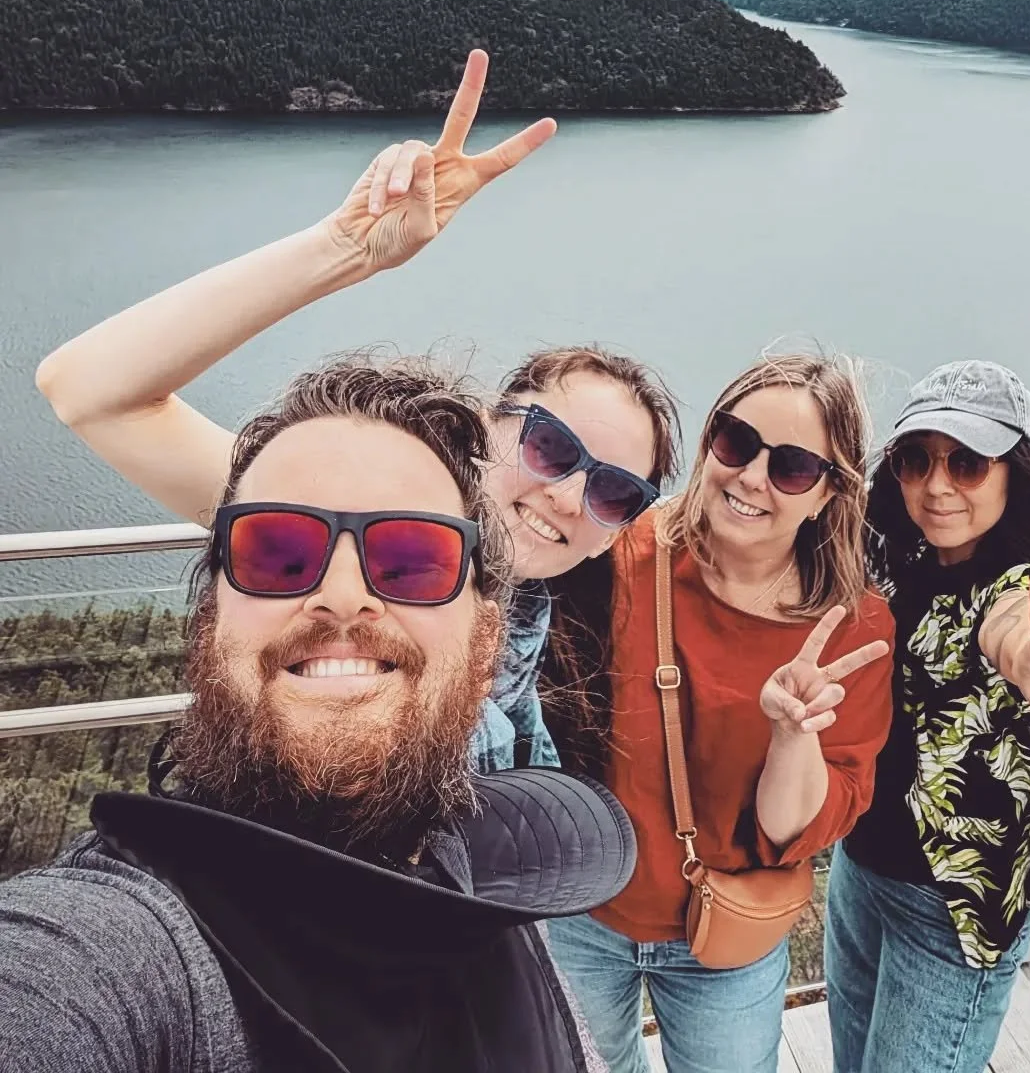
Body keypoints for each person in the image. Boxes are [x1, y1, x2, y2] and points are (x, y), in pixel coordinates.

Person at [34, 49, 682, 774]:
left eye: (614, 491)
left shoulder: (534, 627)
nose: (566, 495)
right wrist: (342, 250)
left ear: (616, 531)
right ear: (489, 424)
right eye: (551, 447)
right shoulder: (333, 529)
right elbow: (87, 389)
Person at [0, 353, 637, 1072]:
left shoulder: (490, 886)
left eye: (414, 559)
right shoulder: (112, 952)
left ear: (487, 640)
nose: (341, 596)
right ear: (209, 622)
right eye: (277, 551)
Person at [545, 356, 896, 1073]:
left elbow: (795, 830)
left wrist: (793, 735)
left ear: (829, 493)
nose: (752, 477)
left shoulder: (852, 632)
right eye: (737, 442)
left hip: (727, 938)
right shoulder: (620, 553)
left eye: (793, 467)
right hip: (581, 912)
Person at [825, 361, 1030, 1073]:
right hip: (859, 870)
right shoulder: (900, 560)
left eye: (967, 463)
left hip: (951, 908)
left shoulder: (1023, 584)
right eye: (916, 460)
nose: (937, 486)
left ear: (1014, 472)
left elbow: (1014, 625)